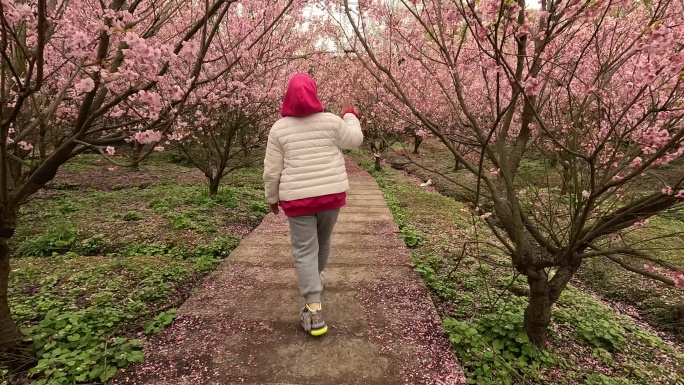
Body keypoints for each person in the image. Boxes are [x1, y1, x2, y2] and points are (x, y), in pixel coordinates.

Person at [263, 73, 364, 336]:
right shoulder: (331, 122)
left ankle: (314, 309)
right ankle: (315, 280)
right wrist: (349, 114)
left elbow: (272, 170)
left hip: (297, 200)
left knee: (304, 250)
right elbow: (355, 140)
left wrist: (271, 197)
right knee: (323, 242)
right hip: (331, 196)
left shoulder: (279, 129)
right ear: (314, 93)